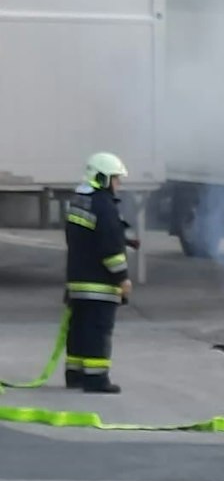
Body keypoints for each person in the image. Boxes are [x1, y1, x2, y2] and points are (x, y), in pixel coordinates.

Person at [65, 152, 131, 393]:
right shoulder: (105, 206)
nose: (118, 184)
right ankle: (96, 379)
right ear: (103, 178)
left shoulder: (78, 201)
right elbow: (110, 249)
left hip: (77, 280)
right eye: (115, 178)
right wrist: (122, 278)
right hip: (99, 284)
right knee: (97, 330)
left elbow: (82, 238)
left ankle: (75, 374)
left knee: (79, 329)